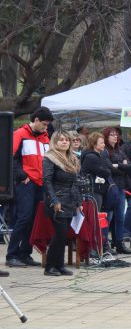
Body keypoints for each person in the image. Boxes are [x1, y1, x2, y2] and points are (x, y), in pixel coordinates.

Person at [6, 107, 53, 269]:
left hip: (41, 183)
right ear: (36, 120)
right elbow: (10, 157)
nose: (46, 128)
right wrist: (21, 175)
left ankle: (25, 253)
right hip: (26, 182)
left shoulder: (45, 138)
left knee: (34, 220)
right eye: (44, 124)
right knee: (24, 217)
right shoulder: (19, 134)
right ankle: (11, 254)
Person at [41, 131, 82, 277]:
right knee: (59, 234)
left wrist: (78, 201)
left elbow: (75, 183)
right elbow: (47, 181)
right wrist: (54, 200)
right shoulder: (49, 158)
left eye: (66, 140)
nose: (64, 142)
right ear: (54, 142)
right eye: (61, 140)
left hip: (70, 200)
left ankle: (59, 265)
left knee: (64, 235)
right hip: (57, 200)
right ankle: (50, 266)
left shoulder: (72, 158)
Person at [100, 128, 131, 254]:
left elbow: (130, 167)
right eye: (111, 135)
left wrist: (118, 165)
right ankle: (105, 244)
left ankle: (119, 243)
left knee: (120, 216)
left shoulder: (120, 150)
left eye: (116, 134)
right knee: (108, 216)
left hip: (121, 187)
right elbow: (109, 168)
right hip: (110, 187)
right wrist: (122, 165)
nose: (115, 137)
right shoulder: (104, 151)